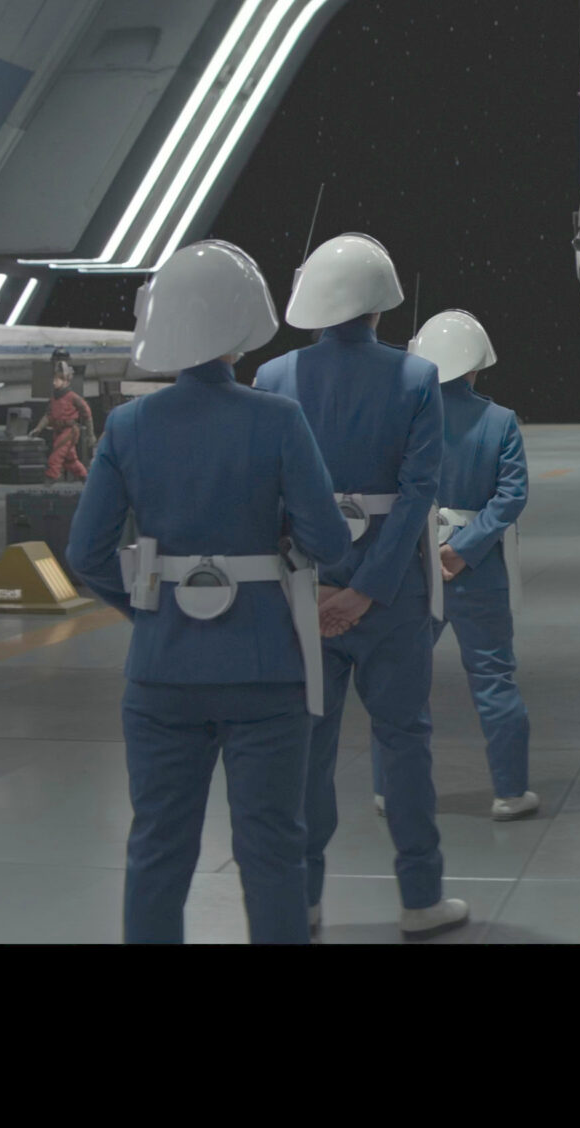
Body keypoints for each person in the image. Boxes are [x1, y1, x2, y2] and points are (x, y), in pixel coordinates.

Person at [67, 240, 355, 945]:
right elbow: (330, 543)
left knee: (157, 849)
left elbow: (86, 552)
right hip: (266, 669)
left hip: (162, 669)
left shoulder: (127, 425)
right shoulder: (278, 419)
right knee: (273, 851)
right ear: (240, 323)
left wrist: (147, 607)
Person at [252, 232, 469, 940]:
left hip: (304, 590)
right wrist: (368, 590)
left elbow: (267, 495)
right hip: (392, 594)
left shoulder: (273, 377)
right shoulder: (417, 378)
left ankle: (304, 899)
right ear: (381, 302)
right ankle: (420, 897)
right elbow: (418, 493)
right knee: (404, 741)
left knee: (306, 752)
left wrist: (316, 584)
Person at [411, 309, 536, 821]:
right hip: (478, 570)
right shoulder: (500, 421)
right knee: (494, 679)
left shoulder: (406, 416)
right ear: (477, 365)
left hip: (415, 566)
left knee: (402, 683)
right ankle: (510, 792)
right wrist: (465, 549)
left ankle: (390, 789)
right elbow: (511, 497)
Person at [36, 360, 92, 482]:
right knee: (70, 460)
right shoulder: (54, 398)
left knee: (57, 453)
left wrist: (91, 435)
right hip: (58, 431)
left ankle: (51, 476)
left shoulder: (73, 397)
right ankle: (84, 476)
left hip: (69, 431)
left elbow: (87, 414)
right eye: (54, 379)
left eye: (57, 380)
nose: (54, 382)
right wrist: (38, 428)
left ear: (66, 381)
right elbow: (48, 416)